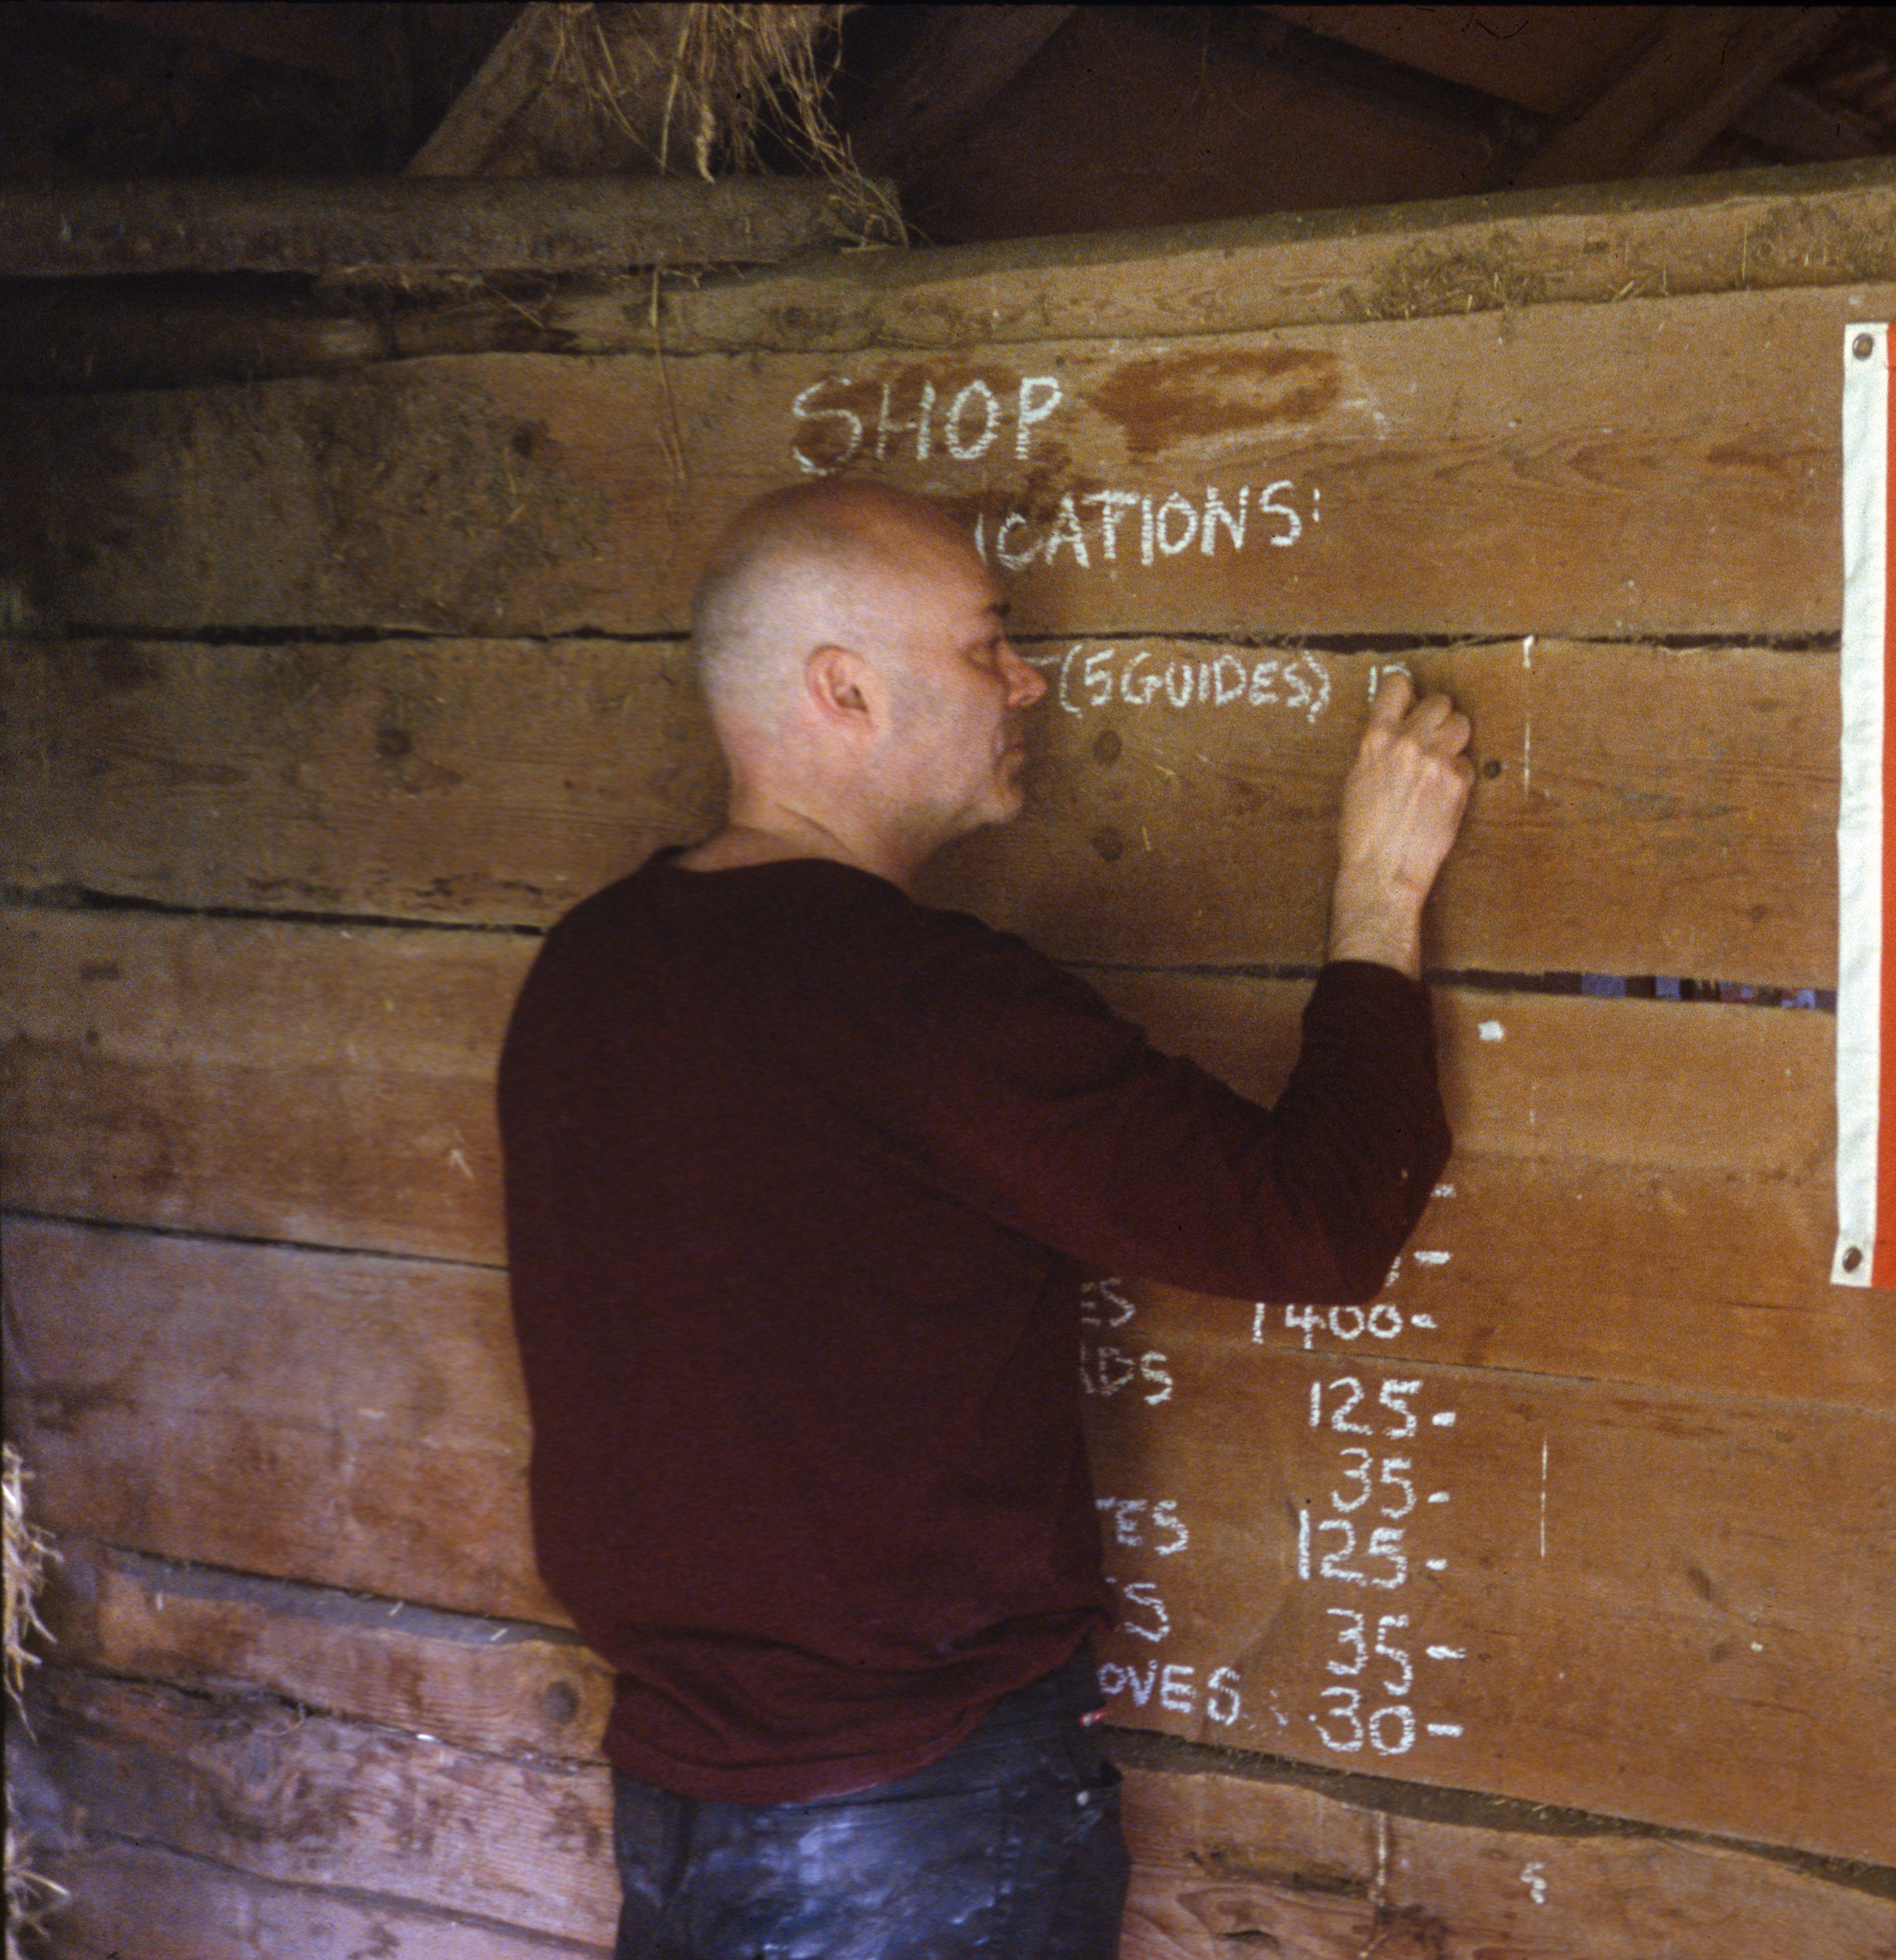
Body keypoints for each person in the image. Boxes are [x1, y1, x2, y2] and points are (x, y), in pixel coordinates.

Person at [496, 477, 1473, 1958]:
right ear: (845, 689)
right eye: (986, 644)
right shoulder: (927, 1003)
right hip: (918, 1817)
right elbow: (1313, 1225)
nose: (1029, 681)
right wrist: (1377, 892)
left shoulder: (584, 971)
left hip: (679, 1802)